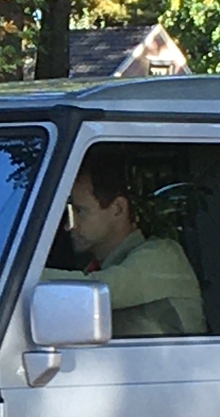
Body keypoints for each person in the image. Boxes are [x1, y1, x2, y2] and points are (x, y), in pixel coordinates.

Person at [55, 144, 202, 336]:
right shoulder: (101, 268)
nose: (70, 225)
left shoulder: (161, 257)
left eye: (80, 211)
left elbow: (102, 291)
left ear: (118, 209)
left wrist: (11, 276)